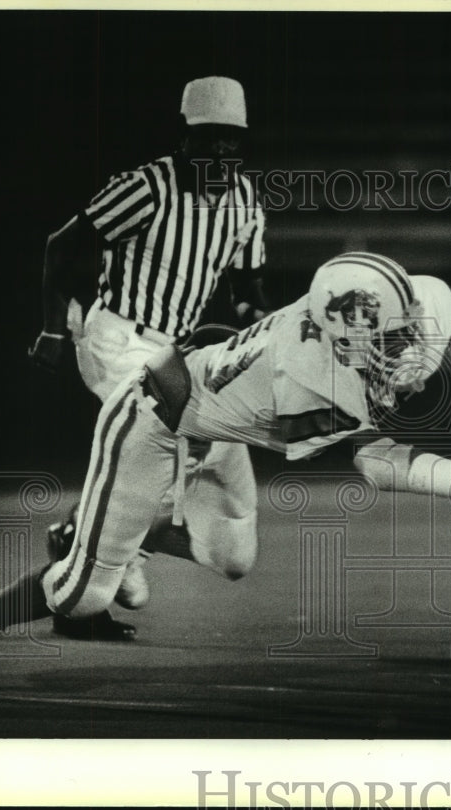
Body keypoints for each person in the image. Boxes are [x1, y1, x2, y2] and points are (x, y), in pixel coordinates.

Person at [0, 252, 451, 696]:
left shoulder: (351, 322)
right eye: (391, 340)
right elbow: (380, 462)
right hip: (153, 423)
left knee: (233, 553)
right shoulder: (316, 385)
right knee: (85, 596)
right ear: (343, 335)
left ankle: (110, 534)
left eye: (401, 330)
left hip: (213, 420)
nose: (408, 352)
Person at [28, 76, 268, 641]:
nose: (222, 150)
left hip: (180, 351)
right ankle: (97, 571)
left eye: (232, 138)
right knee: (166, 443)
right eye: (211, 137)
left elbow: (246, 289)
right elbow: (61, 245)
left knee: (236, 549)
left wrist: (266, 324)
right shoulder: (147, 187)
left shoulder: (248, 201)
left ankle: (83, 533)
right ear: (186, 135)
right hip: (119, 339)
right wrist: (50, 329)